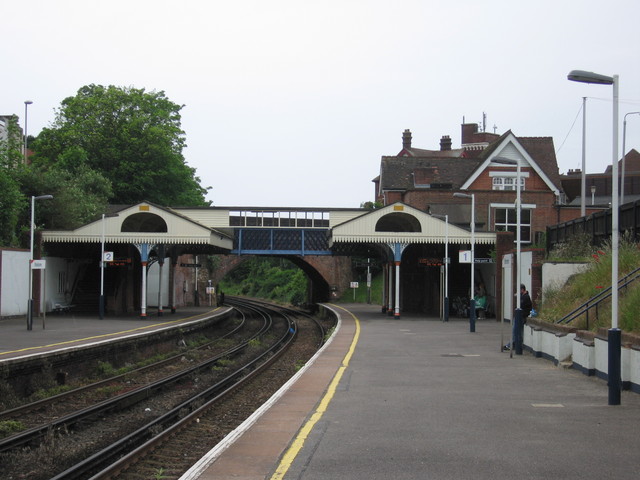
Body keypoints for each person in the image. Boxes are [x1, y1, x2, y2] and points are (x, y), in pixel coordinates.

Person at [503, 284, 533, 351]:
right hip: (520, 316)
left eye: (519, 290)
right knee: (516, 330)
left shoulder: (525, 297)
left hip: (521, 316)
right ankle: (513, 344)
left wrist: (518, 297)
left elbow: (521, 305)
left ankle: (511, 345)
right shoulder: (523, 296)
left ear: (522, 289)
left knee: (515, 331)